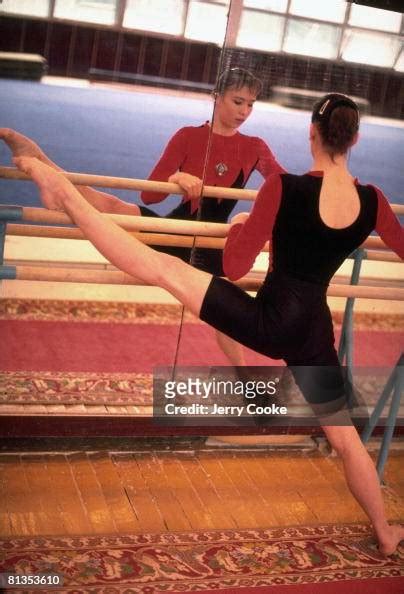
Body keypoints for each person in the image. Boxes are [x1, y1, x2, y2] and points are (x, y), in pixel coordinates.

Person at [11, 92, 404, 555]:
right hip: (313, 329)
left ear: (311, 134)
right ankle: (384, 530)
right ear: (355, 138)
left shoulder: (285, 189)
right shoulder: (374, 200)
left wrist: (239, 225)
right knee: (344, 439)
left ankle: (66, 198)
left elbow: (235, 267)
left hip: (267, 320)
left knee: (161, 268)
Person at [0, 67, 285, 367]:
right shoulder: (188, 136)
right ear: (217, 97)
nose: (245, 111)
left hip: (213, 245)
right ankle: (41, 161)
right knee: (110, 206)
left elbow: (284, 185)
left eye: (251, 104)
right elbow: (149, 196)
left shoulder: (255, 147)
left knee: (226, 317)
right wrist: (177, 177)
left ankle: (244, 376)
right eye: (238, 101)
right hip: (171, 232)